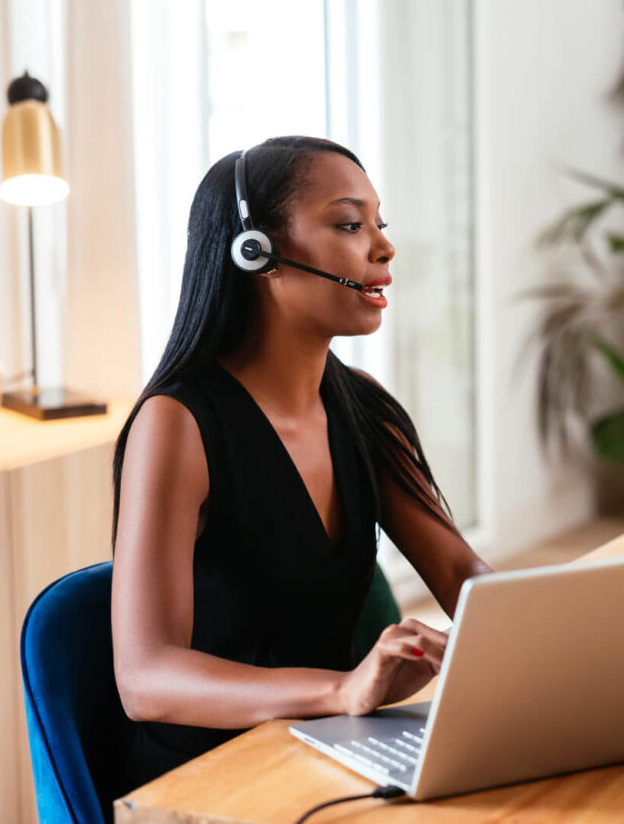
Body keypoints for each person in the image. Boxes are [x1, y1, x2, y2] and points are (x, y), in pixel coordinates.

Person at [110, 136, 493, 790]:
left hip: (326, 748)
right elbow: (147, 680)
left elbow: (460, 570)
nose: (382, 246)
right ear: (257, 252)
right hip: (211, 777)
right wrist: (343, 690)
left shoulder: (363, 409)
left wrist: (548, 649)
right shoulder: (178, 425)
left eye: (380, 223)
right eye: (349, 223)